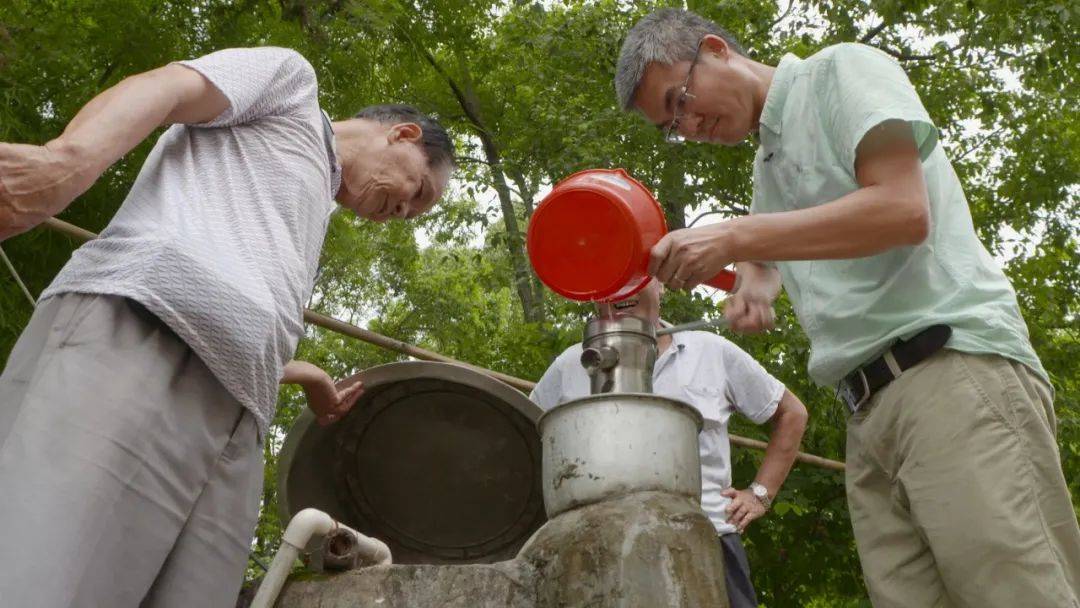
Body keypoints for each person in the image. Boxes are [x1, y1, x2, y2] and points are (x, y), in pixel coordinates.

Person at [614, 8, 1080, 607]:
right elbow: (758, 276)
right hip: (866, 417)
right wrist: (746, 295)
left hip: (951, 376)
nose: (687, 125)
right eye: (670, 126)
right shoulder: (768, 168)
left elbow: (903, 211)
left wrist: (733, 237)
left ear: (716, 50)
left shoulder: (840, 71)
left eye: (680, 100)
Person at [0, 47, 454, 606]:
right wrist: (62, 163)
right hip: (143, 333)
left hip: (238, 422)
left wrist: (302, 373)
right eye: (418, 193)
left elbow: (238, 305)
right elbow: (167, 87)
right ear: (403, 135)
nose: (402, 214)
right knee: (46, 564)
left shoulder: (312, 206)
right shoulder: (293, 90)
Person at [530, 279, 809, 608]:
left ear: (660, 286)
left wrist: (760, 494)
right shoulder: (569, 365)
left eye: (633, 276)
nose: (620, 289)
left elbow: (792, 412)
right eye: (610, 279)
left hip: (708, 538)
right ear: (593, 295)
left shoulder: (709, 350)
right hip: (592, 549)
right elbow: (520, 437)